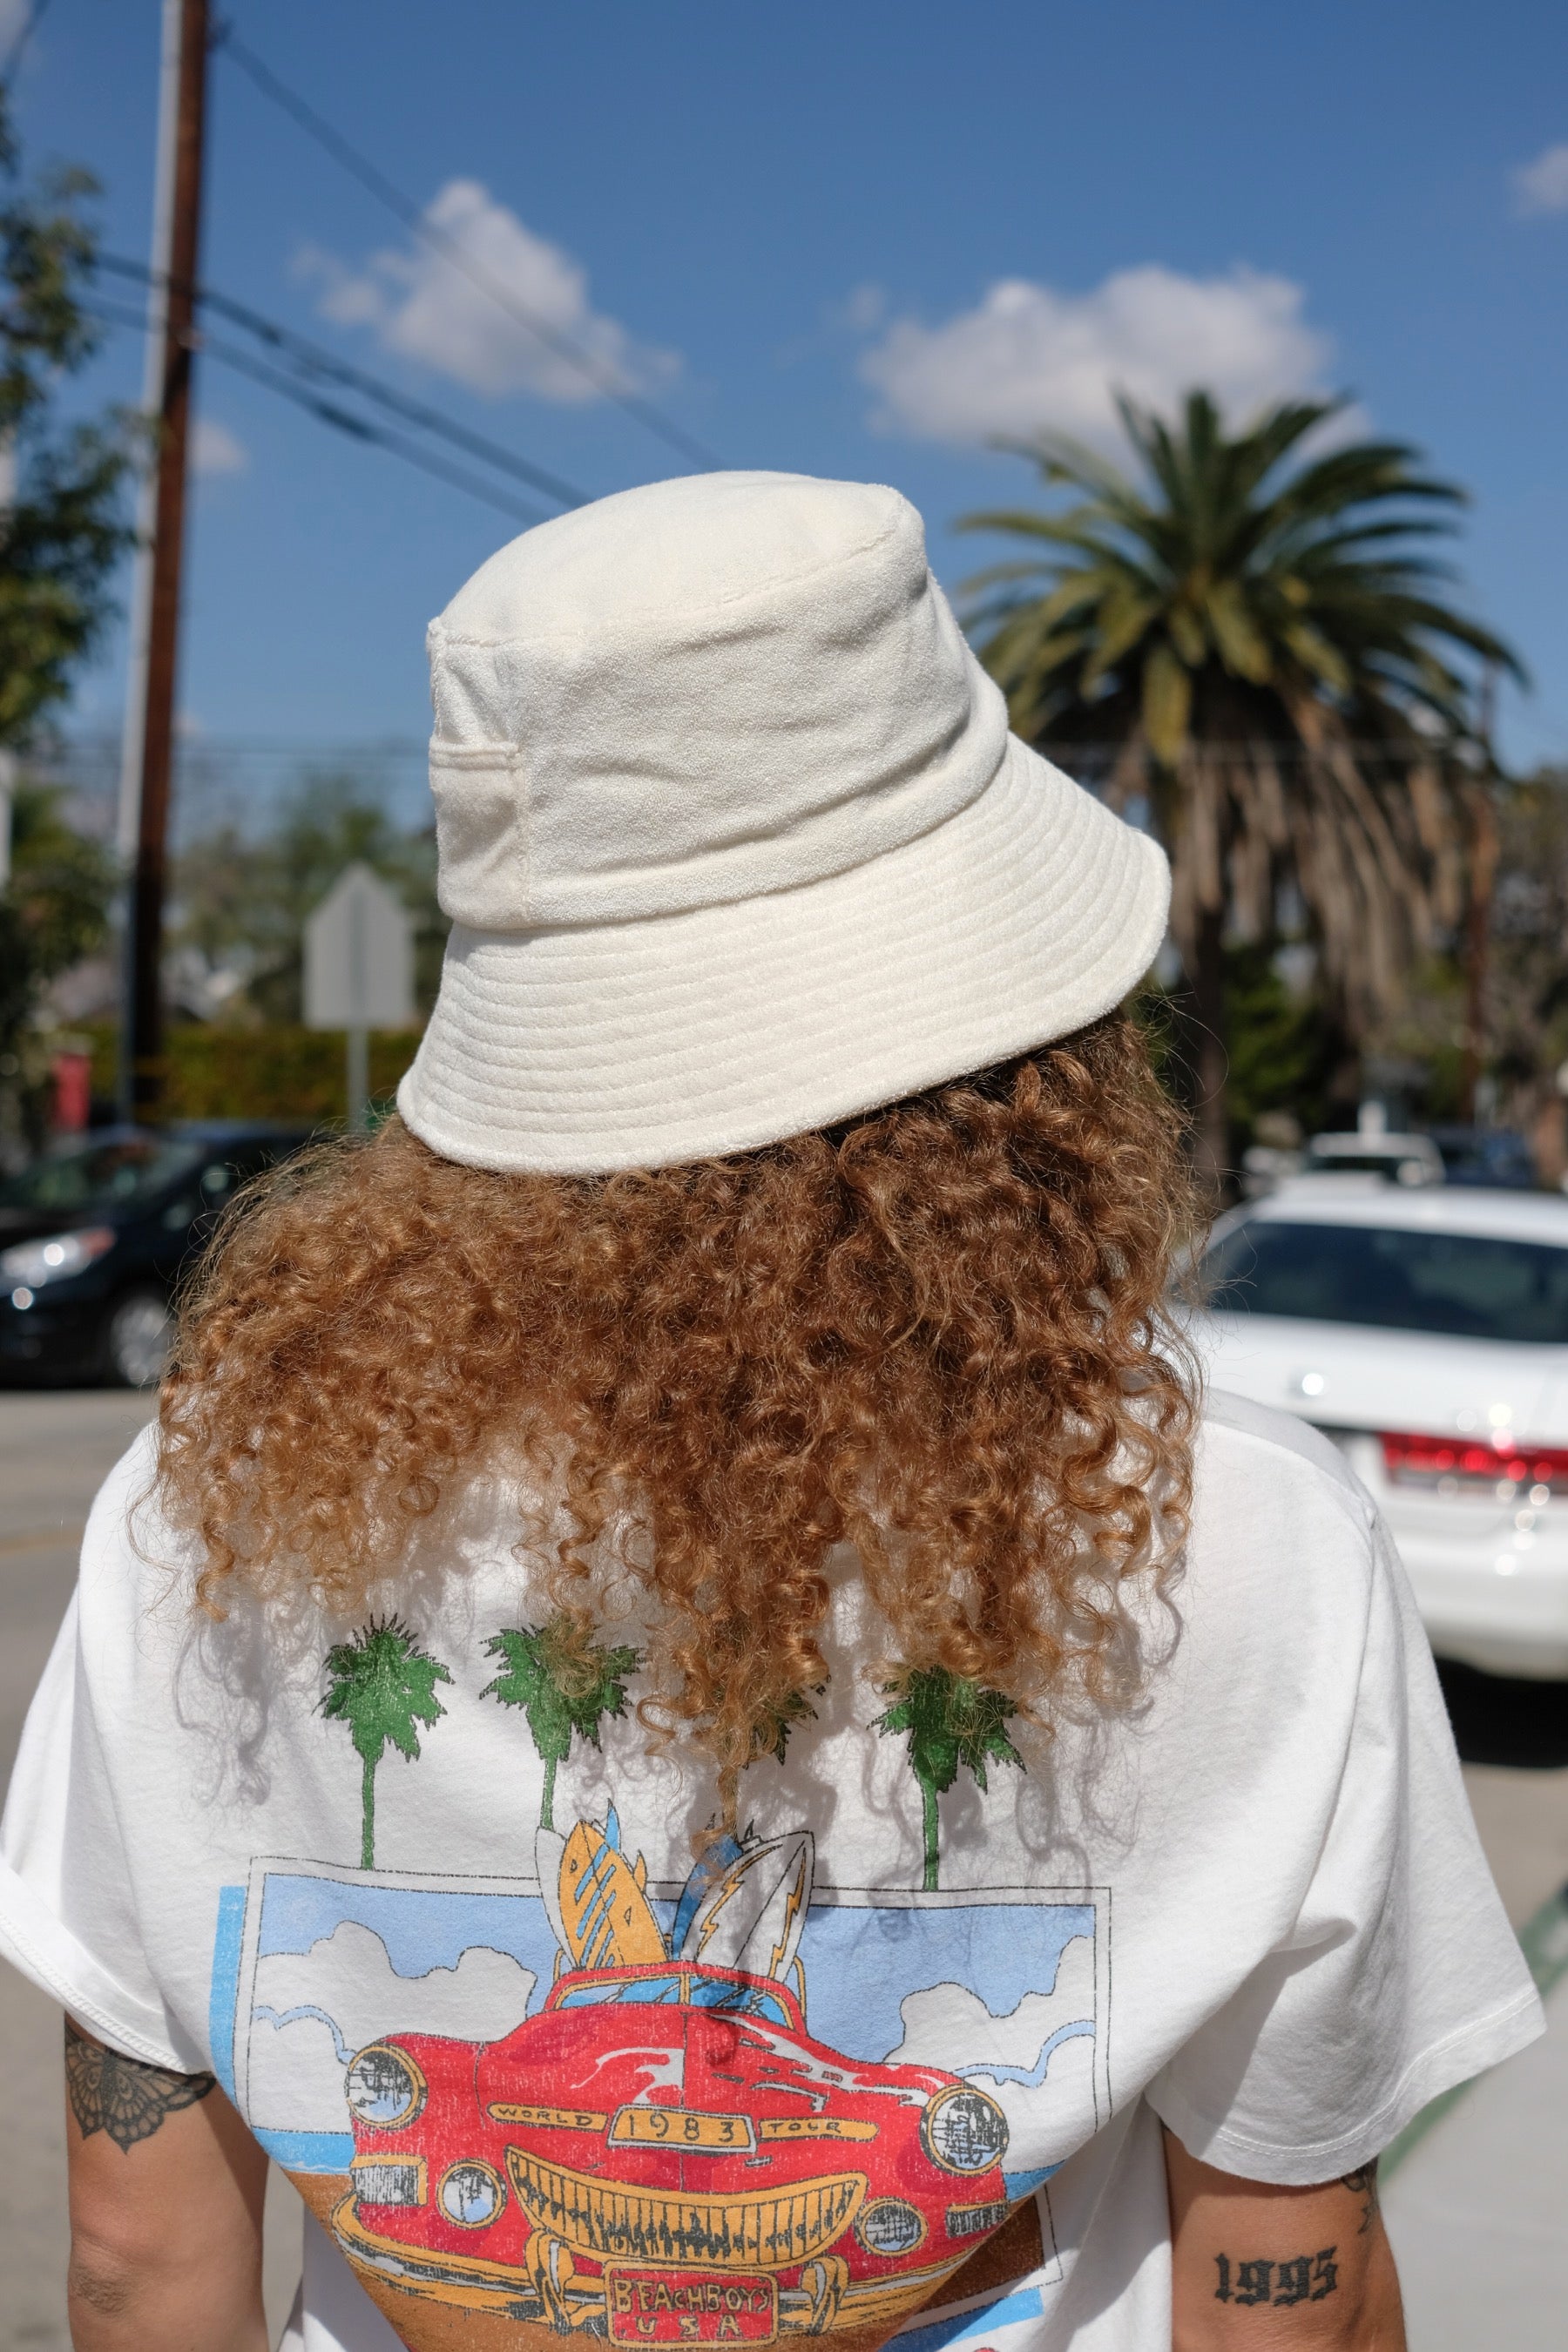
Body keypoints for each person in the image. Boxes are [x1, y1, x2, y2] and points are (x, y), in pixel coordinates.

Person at [0, 473, 1539, 2352]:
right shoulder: (1237, 1530)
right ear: (1026, 1063)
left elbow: (140, 2261)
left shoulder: (212, 1501)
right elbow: (1277, 2292)